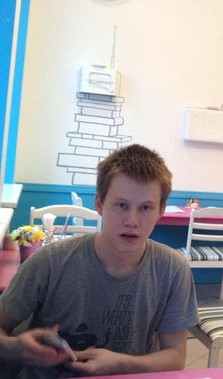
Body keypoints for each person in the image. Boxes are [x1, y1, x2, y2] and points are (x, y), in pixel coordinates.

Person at [0, 144, 199, 378]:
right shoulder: (49, 262)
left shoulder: (173, 270)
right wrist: (15, 348)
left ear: (160, 211)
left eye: (145, 208)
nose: (132, 221)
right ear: (99, 204)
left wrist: (119, 364)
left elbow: (175, 356)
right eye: (121, 205)